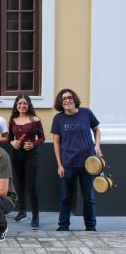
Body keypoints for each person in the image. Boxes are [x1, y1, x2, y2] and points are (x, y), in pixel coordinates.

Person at [51, 88, 102, 231]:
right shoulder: (58, 118)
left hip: (89, 164)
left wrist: (97, 145)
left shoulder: (86, 113)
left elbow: (97, 130)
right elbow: (56, 143)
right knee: (65, 198)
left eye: (69, 97)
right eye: (64, 99)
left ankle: (91, 227)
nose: (67, 100)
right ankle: (63, 226)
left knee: (89, 199)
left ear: (74, 99)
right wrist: (59, 165)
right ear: (60, 103)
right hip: (68, 164)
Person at [9, 94, 45, 229]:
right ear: (16, 105)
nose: (22, 106)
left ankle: (35, 216)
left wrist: (33, 144)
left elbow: (42, 137)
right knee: (20, 185)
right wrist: (12, 142)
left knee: (31, 186)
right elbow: (9, 137)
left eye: (25, 103)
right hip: (17, 155)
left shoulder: (35, 119)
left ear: (28, 104)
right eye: (19, 103)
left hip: (31, 156)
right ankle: (22, 212)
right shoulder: (13, 119)